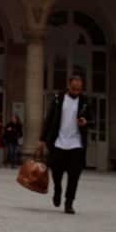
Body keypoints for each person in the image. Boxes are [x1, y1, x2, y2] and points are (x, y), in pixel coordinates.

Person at [39, 73, 91, 215]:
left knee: (74, 176)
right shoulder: (58, 99)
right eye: (74, 88)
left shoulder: (85, 102)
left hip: (76, 145)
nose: (76, 91)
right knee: (57, 173)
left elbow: (91, 120)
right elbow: (48, 119)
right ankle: (58, 190)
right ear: (69, 85)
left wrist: (86, 122)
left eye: (79, 89)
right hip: (58, 143)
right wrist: (42, 140)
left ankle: (69, 203)